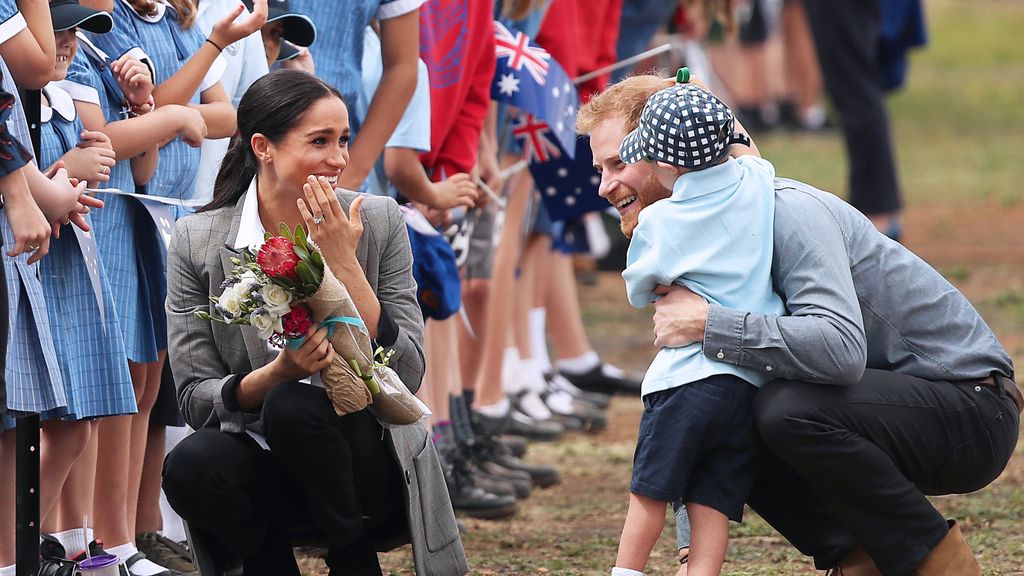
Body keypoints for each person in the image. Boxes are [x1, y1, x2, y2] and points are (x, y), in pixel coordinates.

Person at [579, 74, 1022, 576]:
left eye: (619, 163)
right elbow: (694, 406)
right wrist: (690, 556)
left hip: (972, 408)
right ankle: (860, 561)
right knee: (726, 405)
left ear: (669, 154)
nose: (604, 185)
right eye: (599, 167)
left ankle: (936, 566)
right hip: (882, 406)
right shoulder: (698, 242)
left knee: (781, 408)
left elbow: (840, 350)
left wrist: (713, 325)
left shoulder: (786, 209)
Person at [161, 69, 466, 576]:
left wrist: (344, 263)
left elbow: (407, 372)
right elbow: (195, 398)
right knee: (193, 463)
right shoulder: (197, 240)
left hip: (368, 464)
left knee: (295, 407)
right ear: (263, 146)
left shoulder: (379, 219)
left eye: (343, 140)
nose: (340, 159)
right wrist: (275, 374)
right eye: (320, 141)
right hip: (264, 467)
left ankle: (354, 560)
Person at [604, 79, 783, 576]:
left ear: (662, 166)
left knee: (649, 494)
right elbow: (748, 149)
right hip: (746, 384)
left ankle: (626, 572)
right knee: (711, 500)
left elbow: (639, 288)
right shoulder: (756, 180)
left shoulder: (660, 221)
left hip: (684, 384)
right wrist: (706, 99)